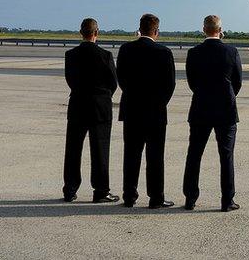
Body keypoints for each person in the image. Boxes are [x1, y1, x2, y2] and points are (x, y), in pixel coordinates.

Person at [182, 15, 242, 212]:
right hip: (226, 109)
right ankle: (227, 201)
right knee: (226, 156)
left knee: (194, 154)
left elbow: (192, 82)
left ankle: (190, 198)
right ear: (220, 30)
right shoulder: (231, 52)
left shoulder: (193, 52)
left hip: (201, 108)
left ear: (204, 29)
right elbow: (237, 82)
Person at [117, 13, 176, 208]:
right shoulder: (164, 52)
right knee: (155, 157)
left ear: (139, 29)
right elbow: (170, 85)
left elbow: (121, 79)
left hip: (132, 110)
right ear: (156, 31)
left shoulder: (126, 50)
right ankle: (156, 198)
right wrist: (159, 104)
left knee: (131, 155)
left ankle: (129, 196)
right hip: (155, 113)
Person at [62, 18, 119, 203]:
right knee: (100, 150)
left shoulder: (70, 55)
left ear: (81, 32)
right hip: (99, 107)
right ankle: (101, 191)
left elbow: (70, 80)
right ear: (97, 32)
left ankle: (70, 189)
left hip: (78, 104)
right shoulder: (105, 55)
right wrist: (103, 96)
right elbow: (113, 83)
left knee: (73, 149)